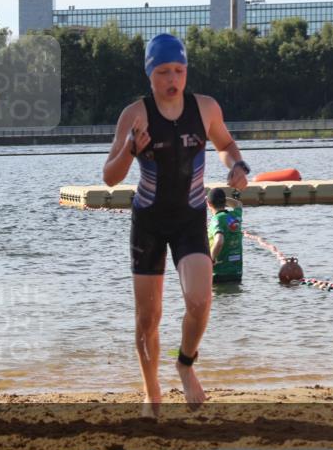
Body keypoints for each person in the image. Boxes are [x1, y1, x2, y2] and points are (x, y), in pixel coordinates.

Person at [102, 33, 249, 417]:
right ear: (150, 74)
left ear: (186, 72)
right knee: (148, 318)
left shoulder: (205, 108)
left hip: (189, 219)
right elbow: (110, 178)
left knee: (200, 301)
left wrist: (237, 165)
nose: (173, 79)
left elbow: (225, 145)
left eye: (179, 70)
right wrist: (131, 149)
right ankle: (152, 393)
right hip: (149, 222)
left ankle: (184, 364)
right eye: (164, 71)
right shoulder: (135, 114)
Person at [206, 188, 243, 284]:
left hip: (219, 274)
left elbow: (219, 241)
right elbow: (238, 204)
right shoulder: (235, 216)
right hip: (236, 273)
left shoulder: (216, 220)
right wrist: (222, 198)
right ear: (225, 203)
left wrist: (211, 259)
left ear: (209, 204)